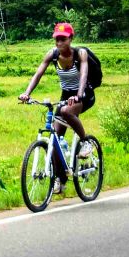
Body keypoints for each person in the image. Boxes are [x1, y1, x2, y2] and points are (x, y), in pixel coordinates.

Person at [18, 22, 96, 194]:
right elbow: (38, 73)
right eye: (56, 39)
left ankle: (85, 143)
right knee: (55, 138)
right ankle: (61, 179)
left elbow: (83, 73)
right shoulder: (52, 55)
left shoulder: (80, 54)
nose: (59, 43)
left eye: (63, 39)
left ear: (71, 39)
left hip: (84, 94)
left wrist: (79, 94)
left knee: (67, 111)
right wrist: (27, 93)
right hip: (66, 95)